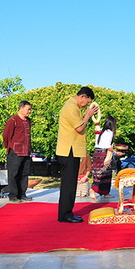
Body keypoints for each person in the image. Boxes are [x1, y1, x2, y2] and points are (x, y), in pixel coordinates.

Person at [56, 86, 99, 223]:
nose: (86, 105)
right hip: (69, 150)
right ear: (82, 97)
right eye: (87, 102)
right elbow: (79, 128)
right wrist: (88, 115)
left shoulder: (74, 107)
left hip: (71, 150)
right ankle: (65, 214)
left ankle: (66, 213)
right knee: (69, 184)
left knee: (69, 183)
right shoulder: (71, 107)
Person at [2, 101, 33, 203]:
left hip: (26, 151)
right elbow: (6, 135)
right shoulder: (13, 120)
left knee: (24, 174)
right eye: (28, 109)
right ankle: (13, 196)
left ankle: (22, 194)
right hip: (15, 151)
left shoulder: (28, 121)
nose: (29, 111)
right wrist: (8, 147)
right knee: (14, 174)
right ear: (21, 108)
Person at [90, 116, 117, 199]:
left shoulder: (100, 131)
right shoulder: (109, 132)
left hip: (97, 153)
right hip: (103, 154)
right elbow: (108, 146)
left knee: (98, 172)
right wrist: (116, 152)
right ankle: (95, 190)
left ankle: (101, 191)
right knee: (105, 173)